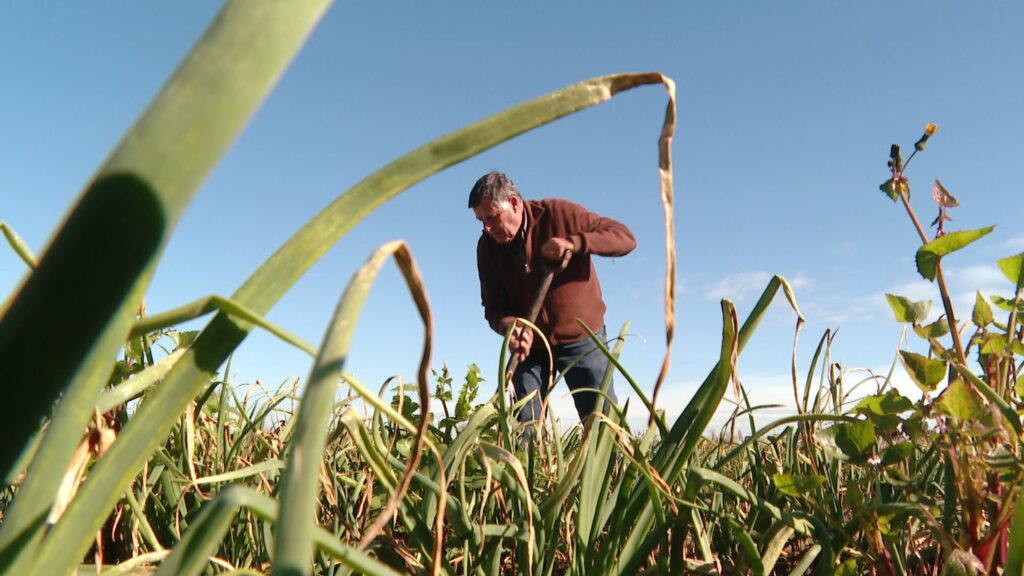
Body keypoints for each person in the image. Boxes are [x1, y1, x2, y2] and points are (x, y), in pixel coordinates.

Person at [469, 171, 636, 432]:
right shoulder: (487, 249)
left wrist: (575, 243)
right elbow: (493, 307)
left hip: (581, 338)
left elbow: (625, 238)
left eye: (491, 217)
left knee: (602, 424)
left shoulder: (559, 215)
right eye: (481, 221)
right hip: (531, 347)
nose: (486, 228)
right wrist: (511, 327)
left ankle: (613, 470)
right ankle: (529, 470)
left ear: (513, 203)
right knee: (525, 426)